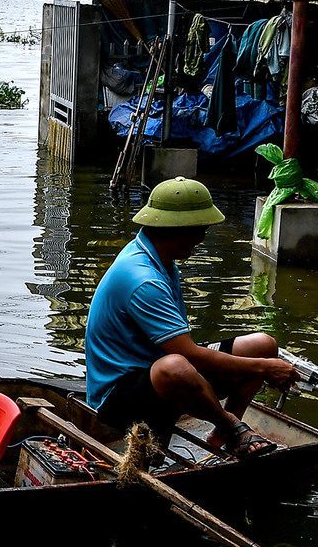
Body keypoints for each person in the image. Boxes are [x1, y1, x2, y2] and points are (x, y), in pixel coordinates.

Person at [83, 177, 297, 457]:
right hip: (118, 396)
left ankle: (223, 434)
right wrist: (264, 369)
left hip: (156, 366)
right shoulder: (144, 280)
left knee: (262, 346)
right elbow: (187, 355)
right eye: (200, 231)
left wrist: (262, 362)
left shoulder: (161, 259)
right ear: (179, 230)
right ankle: (231, 425)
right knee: (177, 366)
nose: (201, 239)